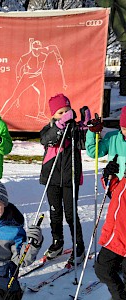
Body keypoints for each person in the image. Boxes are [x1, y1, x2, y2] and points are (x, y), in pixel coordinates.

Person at [39, 93, 86, 265]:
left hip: (70, 178)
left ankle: (78, 245)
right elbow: (46, 140)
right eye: (60, 112)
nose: (65, 115)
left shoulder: (75, 129)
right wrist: (59, 125)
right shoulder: (49, 128)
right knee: (55, 212)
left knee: (70, 213)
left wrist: (87, 126)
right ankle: (57, 242)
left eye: (67, 111)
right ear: (53, 115)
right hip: (52, 178)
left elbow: (84, 143)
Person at [94, 159, 126, 300]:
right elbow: (117, 194)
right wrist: (110, 177)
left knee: (103, 268)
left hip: (120, 237)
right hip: (116, 235)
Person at [86, 105, 126, 177]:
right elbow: (93, 152)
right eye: (124, 129)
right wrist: (92, 132)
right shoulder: (112, 138)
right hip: (116, 184)